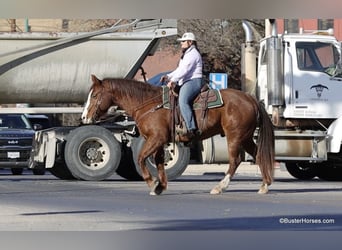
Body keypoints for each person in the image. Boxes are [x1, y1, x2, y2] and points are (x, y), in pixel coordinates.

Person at [161, 32, 203, 139]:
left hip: (193, 81)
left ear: (190, 42)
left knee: (183, 101)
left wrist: (173, 81)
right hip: (186, 81)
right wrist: (169, 76)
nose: (181, 44)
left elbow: (184, 70)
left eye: (183, 41)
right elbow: (179, 70)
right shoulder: (186, 55)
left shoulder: (193, 54)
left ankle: (191, 128)